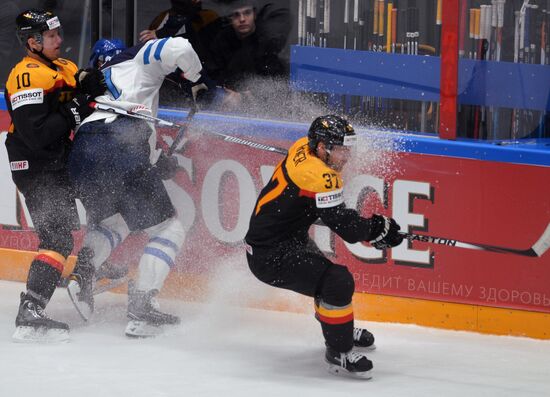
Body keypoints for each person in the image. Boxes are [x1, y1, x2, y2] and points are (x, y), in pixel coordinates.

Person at [66, 36, 213, 337]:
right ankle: (143, 303)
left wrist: (157, 162)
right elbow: (181, 48)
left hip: (83, 153)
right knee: (168, 229)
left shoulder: (96, 81)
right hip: (121, 146)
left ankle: (81, 276)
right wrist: (197, 80)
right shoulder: (137, 58)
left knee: (113, 222)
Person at [244, 115, 403, 378]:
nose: (346, 156)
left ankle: (337, 327)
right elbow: (345, 227)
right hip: (270, 255)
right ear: (320, 147)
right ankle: (338, 352)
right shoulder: (318, 175)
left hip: (284, 241)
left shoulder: (301, 147)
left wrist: (373, 230)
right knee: (337, 281)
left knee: (325, 280)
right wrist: (378, 229)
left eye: (347, 149)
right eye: (340, 149)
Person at [5, 9, 105, 342]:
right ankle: (30, 311)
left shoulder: (66, 68)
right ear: (33, 42)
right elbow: (37, 136)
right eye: (51, 37)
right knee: (59, 239)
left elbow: (83, 100)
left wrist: (92, 85)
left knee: (108, 200)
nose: (60, 41)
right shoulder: (25, 75)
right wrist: (78, 103)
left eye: (59, 33)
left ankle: (90, 272)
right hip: (34, 166)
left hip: (61, 161)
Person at [208, 0, 291, 110]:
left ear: (254, 14)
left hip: (263, 109)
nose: (242, 19)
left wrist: (243, 97)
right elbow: (213, 75)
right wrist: (224, 92)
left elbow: (275, 86)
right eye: (236, 15)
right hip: (227, 107)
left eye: (247, 13)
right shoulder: (221, 41)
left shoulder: (267, 41)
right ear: (230, 18)